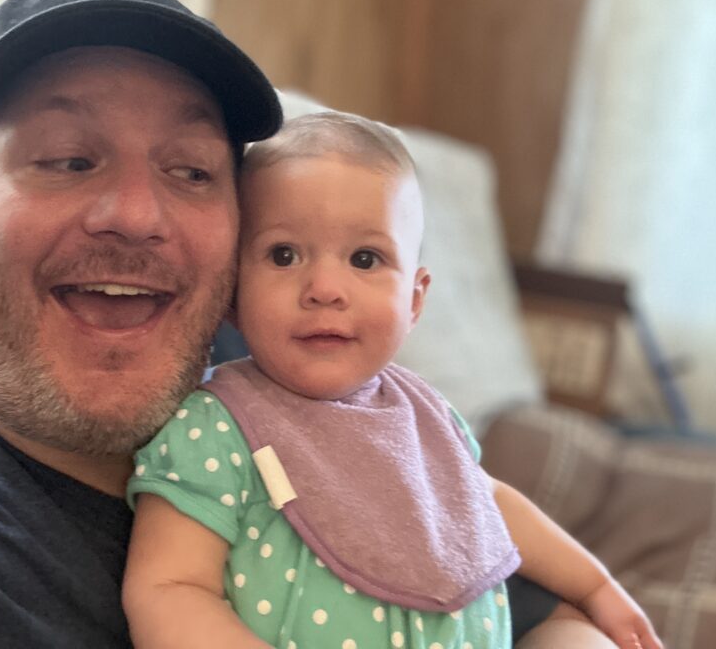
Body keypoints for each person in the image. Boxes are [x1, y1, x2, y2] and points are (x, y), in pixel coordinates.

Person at [0, 0, 629, 648]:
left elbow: (546, 614)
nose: (136, 214)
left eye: (192, 171)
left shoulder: (316, 418)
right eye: (68, 159)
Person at [123, 112, 662, 649]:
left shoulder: (424, 413)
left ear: (415, 300)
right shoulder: (214, 429)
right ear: (232, 293)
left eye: (365, 258)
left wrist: (595, 586)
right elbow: (168, 590)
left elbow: (486, 502)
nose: (325, 288)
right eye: (283, 255)